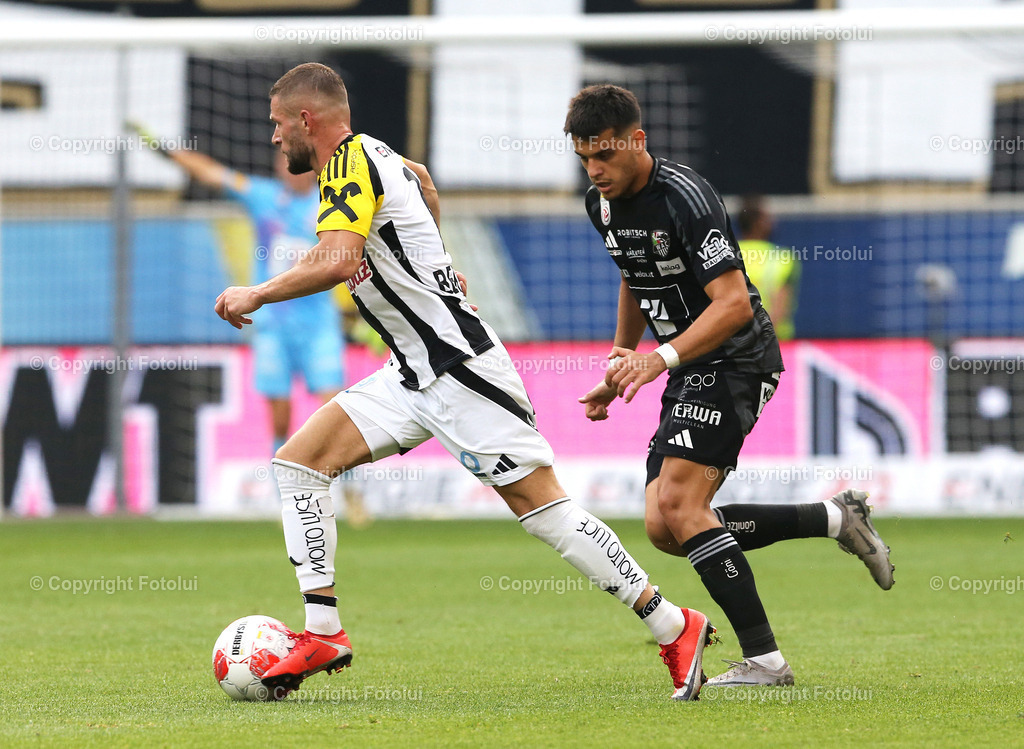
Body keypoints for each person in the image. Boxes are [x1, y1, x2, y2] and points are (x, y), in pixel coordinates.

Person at [215, 63, 717, 701]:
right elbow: (422, 210)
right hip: (412, 372)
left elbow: (340, 257)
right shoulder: (384, 161)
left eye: (278, 124)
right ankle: (323, 632)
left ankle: (676, 624)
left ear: (306, 121)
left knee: (545, 513)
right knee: (299, 464)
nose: (274, 137)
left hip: (461, 371)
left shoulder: (348, 162)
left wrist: (256, 291)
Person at [567, 85, 894, 688]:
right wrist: (624, 356)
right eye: (585, 157)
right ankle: (834, 518)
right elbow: (634, 276)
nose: (595, 170)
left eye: (605, 155)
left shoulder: (687, 198)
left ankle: (766, 661)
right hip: (687, 362)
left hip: (736, 357)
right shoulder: (602, 204)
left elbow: (735, 304)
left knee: (680, 505)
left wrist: (658, 359)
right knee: (666, 529)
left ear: (638, 141)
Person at [133, 125, 370, 527]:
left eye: (294, 163)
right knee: (280, 418)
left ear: (312, 167)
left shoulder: (330, 204)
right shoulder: (261, 196)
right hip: (273, 329)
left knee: (334, 411)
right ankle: (291, 500)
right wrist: (168, 151)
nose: (287, 169)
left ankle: (351, 493)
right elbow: (212, 173)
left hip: (319, 327)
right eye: (282, 162)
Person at [737, 196, 799, 341]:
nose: (773, 222)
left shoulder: (727, 254)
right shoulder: (783, 259)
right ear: (758, 223)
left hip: (734, 345)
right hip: (775, 343)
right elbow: (780, 309)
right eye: (768, 218)